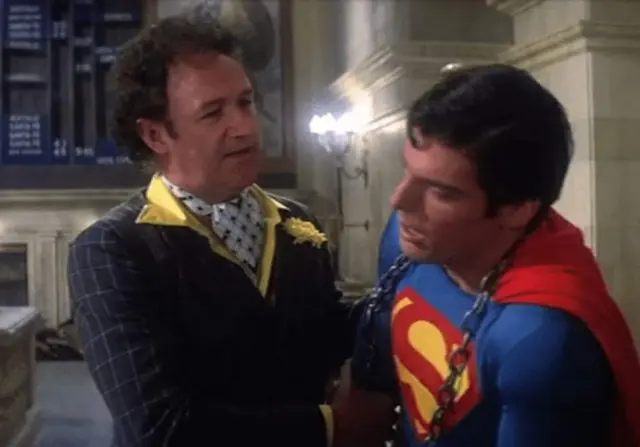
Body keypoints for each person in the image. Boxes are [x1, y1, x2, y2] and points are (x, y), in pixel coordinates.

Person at [67, 13, 391, 447]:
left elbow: (321, 334)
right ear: (156, 134)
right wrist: (332, 427)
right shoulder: (113, 249)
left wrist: (409, 298)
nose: (245, 127)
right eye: (213, 112)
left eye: (245, 102)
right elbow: (159, 427)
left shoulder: (295, 222)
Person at [334, 64, 640, 446]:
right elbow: (370, 384)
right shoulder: (407, 236)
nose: (400, 201)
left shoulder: (541, 340)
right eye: (408, 171)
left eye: (441, 192)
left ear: (517, 209)